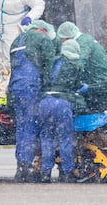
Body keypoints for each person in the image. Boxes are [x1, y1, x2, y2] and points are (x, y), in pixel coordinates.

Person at [8, 20, 55, 182]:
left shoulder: (17, 40)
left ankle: (21, 166)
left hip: (16, 88)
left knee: (22, 127)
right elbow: (49, 66)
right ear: (42, 29)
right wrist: (50, 89)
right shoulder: (42, 39)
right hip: (32, 87)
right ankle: (27, 166)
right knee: (31, 126)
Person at [38, 39, 86, 183]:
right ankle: (67, 172)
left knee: (47, 138)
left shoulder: (52, 61)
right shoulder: (75, 63)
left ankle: (45, 173)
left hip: (45, 102)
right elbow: (76, 85)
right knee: (66, 138)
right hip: (62, 102)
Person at [56, 21, 107, 112]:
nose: (62, 43)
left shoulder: (82, 43)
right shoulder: (86, 39)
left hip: (99, 83)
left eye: (62, 40)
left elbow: (78, 64)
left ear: (68, 37)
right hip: (100, 81)